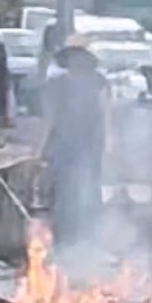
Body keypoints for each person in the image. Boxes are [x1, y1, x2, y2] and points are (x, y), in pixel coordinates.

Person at [37, 34, 111, 248]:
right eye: (73, 56)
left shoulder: (99, 83)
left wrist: (110, 143)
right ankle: (64, 241)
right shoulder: (57, 84)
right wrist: (41, 148)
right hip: (63, 145)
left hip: (90, 144)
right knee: (62, 192)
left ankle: (89, 240)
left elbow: (106, 113)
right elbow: (49, 119)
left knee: (89, 190)